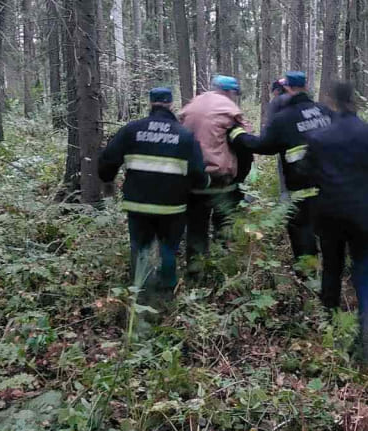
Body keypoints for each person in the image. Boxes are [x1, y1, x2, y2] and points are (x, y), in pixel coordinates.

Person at [304, 81, 368, 365]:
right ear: (354, 101)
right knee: (366, 276)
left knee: (331, 269)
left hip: (330, 215)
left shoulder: (319, 138)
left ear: (331, 101)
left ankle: (331, 333)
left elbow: (306, 174)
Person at [98, 87, 209, 313]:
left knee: (141, 248)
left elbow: (107, 160)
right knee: (169, 249)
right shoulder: (185, 135)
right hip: (173, 207)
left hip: (138, 205)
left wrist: (107, 178)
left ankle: (140, 295)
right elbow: (198, 174)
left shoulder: (131, 130)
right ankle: (167, 295)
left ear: (150, 102)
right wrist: (201, 186)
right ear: (170, 103)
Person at [243, 71, 332, 263]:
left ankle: (307, 273)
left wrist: (238, 136)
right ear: (306, 87)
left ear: (287, 87)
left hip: (301, 187)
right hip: (331, 183)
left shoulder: (284, 118)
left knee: (302, 227)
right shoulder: (325, 111)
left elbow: (264, 145)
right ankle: (332, 265)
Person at [179, 75, 254, 268]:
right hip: (220, 179)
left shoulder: (193, 105)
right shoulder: (228, 109)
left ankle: (195, 271)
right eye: (235, 93)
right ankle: (223, 268)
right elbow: (245, 145)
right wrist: (239, 180)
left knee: (196, 228)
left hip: (192, 179)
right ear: (229, 92)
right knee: (223, 226)